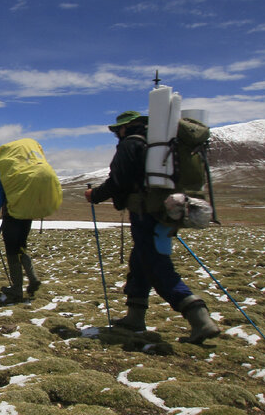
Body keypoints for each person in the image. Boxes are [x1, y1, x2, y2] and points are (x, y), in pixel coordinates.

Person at [85, 111, 220, 343]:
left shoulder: (131, 145)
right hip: (162, 210)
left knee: (157, 265)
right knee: (140, 261)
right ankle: (135, 317)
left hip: (145, 212)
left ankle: (199, 318)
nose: (117, 134)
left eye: (118, 129)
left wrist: (95, 194)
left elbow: (119, 180)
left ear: (126, 128)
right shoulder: (158, 146)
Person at [0, 159, 41, 302]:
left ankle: (17, 289)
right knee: (21, 247)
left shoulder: (0, 173)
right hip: (27, 215)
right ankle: (33, 278)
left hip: (12, 217)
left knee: (11, 251)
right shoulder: (24, 172)